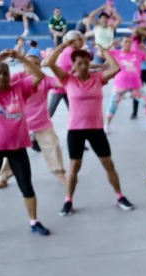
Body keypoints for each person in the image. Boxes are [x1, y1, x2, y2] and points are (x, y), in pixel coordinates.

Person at [45, 41, 134, 215]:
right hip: (75, 130)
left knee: (108, 164)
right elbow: (49, 63)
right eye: (79, 63)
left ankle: (120, 196)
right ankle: (68, 200)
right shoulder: (67, 80)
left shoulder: (98, 78)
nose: (83, 66)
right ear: (73, 65)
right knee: (74, 166)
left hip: (96, 129)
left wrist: (104, 50)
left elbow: (116, 68)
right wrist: (63, 45)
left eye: (86, 63)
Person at [0, 50, 51, 235]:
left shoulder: (19, 88)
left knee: (26, 186)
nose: (2, 77)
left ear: (10, 75)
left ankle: (34, 222)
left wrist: (21, 58)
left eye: (5, 73)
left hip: (17, 148)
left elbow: (39, 75)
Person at [0, 49, 66, 188]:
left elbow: (61, 83)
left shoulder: (45, 79)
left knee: (53, 146)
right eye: (29, 63)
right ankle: (4, 177)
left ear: (39, 66)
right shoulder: (17, 77)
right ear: (24, 65)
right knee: (12, 152)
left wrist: (60, 69)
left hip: (42, 123)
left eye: (36, 63)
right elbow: (1, 88)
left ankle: (61, 174)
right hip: (19, 124)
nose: (32, 65)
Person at [104, 36, 146, 133]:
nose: (128, 44)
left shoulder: (137, 53)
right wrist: (110, 45)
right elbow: (102, 54)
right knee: (112, 106)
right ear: (121, 43)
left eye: (129, 42)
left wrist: (145, 48)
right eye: (126, 42)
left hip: (136, 85)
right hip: (120, 85)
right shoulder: (115, 53)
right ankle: (107, 125)